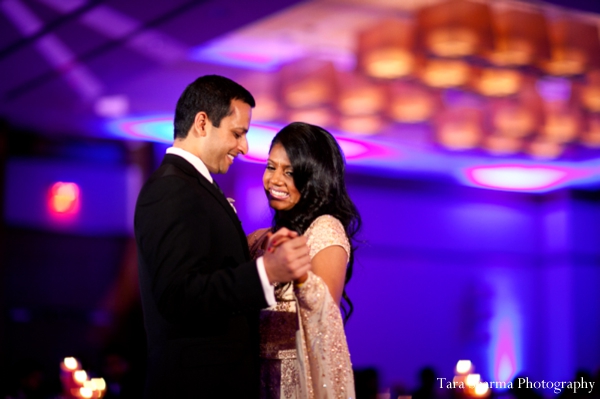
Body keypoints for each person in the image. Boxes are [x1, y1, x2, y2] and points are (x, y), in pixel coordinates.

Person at [134, 75, 312, 398]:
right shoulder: (171, 188)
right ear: (202, 123)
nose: (244, 147)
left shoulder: (195, 188)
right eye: (238, 133)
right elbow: (177, 294)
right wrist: (266, 273)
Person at [247, 122, 361, 398]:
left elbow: (324, 316)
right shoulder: (261, 239)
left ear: (314, 178)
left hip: (297, 384)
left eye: (290, 172)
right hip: (257, 378)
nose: (274, 180)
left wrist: (299, 276)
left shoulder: (325, 229)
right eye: (271, 167)